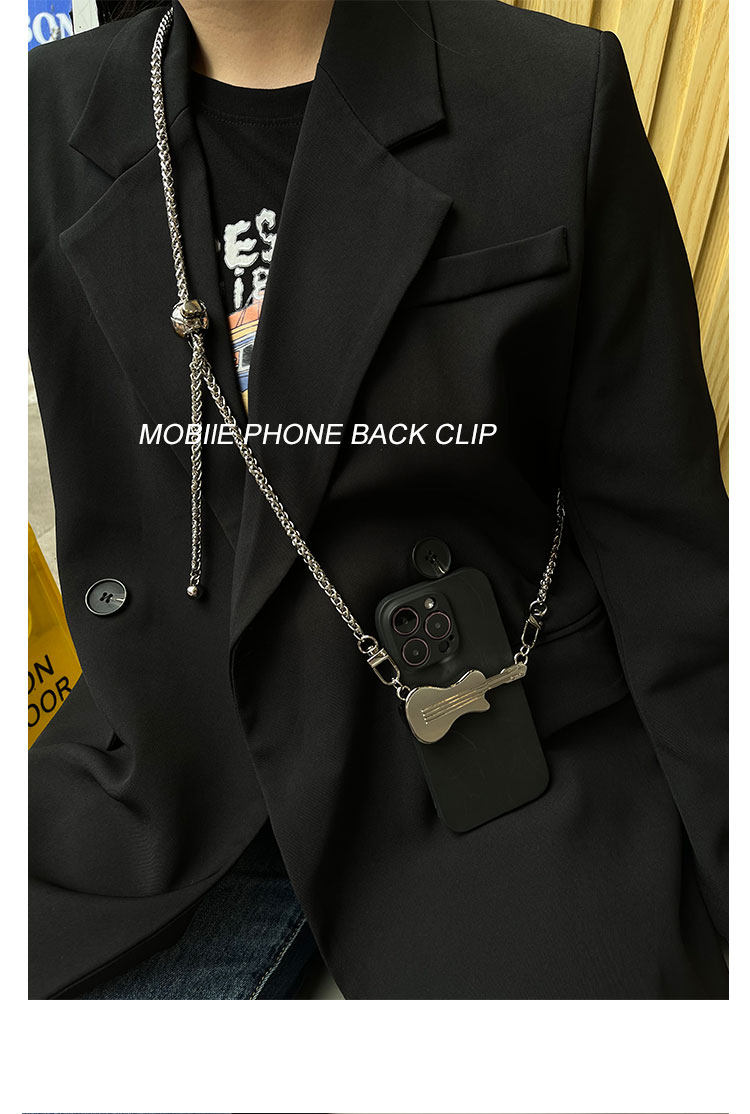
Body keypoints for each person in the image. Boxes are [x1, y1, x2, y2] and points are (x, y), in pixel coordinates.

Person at [28, 0, 728, 999]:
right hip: (162, 776)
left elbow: (672, 559)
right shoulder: (38, 119)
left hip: (485, 763)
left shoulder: (550, 91)